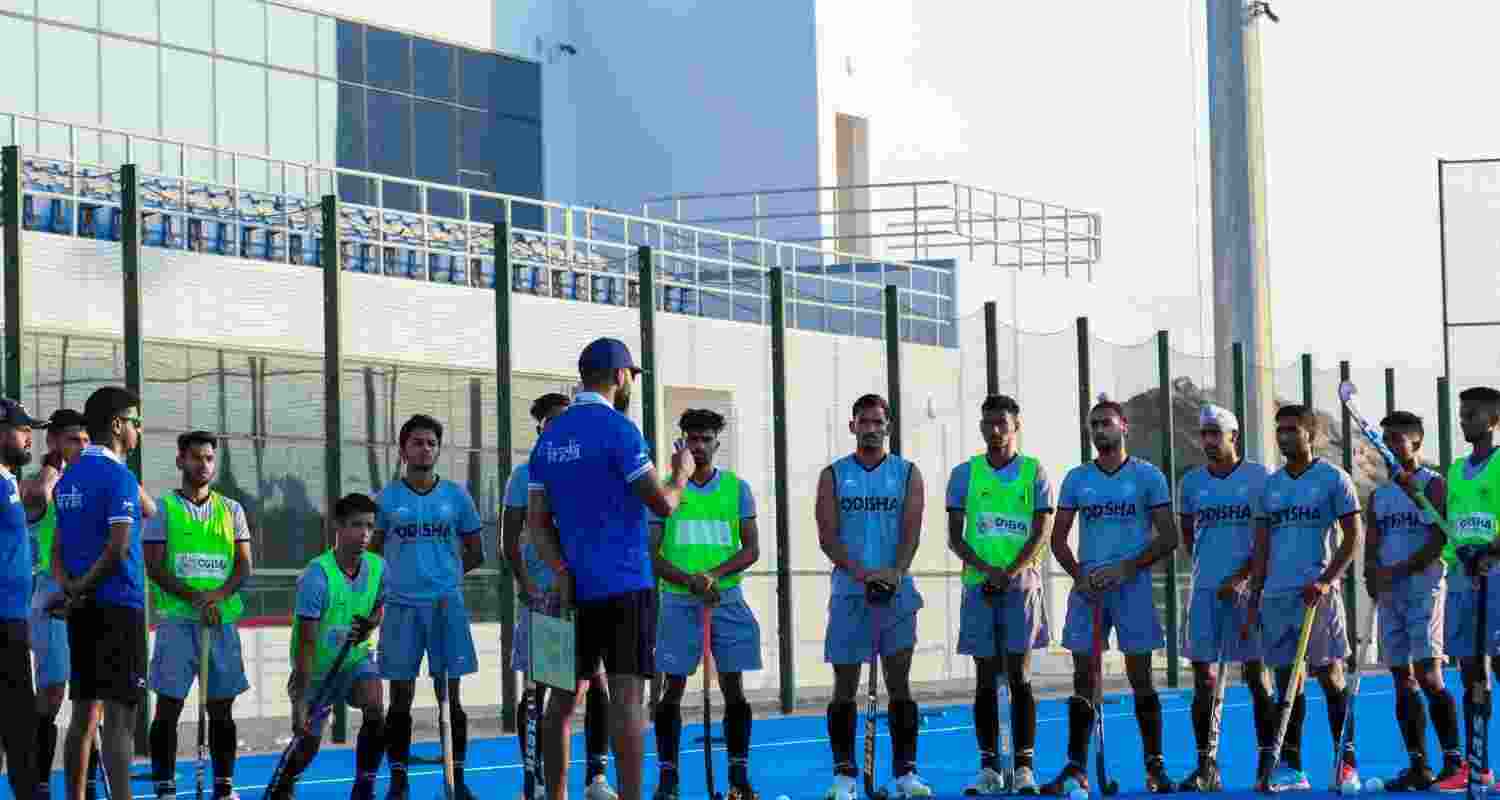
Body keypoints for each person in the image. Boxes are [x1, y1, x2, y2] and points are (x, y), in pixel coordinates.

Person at [527, 337, 693, 800]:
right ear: (621, 376)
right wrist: (680, 473)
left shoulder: (550, 437)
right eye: (630, 376)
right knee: (628, 700)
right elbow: (662, 504)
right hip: (625, 585)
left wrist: (561, 572)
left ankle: (555, 795)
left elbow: (536, 526)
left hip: (570, 588)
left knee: (559, 702)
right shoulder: (622, 431)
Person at [1044, 396, 1179, 795]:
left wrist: (1125, 569)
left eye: (1106, 423)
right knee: (1084, 677)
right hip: (1090, 593)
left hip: (1132, 589)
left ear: (1123, 427)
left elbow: (1168, 536)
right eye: (1093, 424)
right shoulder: (1076, 478)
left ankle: (1155, 768)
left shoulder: (1148, 476)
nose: (1099, 430)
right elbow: (1058, 539)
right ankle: (1075, 768)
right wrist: (1079, 575)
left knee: (1141, 677)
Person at [502, 393, 617, 800]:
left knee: (597, 687)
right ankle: (533, 778)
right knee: (544, 692)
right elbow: (510, 538)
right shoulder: (525, 474)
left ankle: (596, 778)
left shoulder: (587, 471)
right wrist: (527, 584)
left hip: (589, 595)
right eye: (550, 421)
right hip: (548, 596)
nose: (559, 427)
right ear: (540, 428)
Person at [816, 393, 930, 800]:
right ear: (852, 427)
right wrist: (865, 576)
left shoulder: (908, 473)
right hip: (851, 593)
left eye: (877, 421)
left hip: (896, 594)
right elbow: (827, 537)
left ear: (888, 427)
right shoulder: (833, 475)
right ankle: (845, 776)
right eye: (863, 421)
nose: (870, 428)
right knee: (844, 686)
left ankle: (905, 775)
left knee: (899, 684)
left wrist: (894, 575)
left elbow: (911, 532)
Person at [650, 408, 763, 800]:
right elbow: (652, 557)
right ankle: (669, 778)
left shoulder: (737, 489)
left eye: (706, 439)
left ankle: (738, 778)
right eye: (691, 439)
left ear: (717, 442)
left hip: (725, 600)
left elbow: (751, 549)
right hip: (680, 602)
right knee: (672, 691)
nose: (698, 446)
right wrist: (691, 582)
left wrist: (712, 576)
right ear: (680, 442)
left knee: (734, 689)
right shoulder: (666, 490)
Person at [371, 414, 486, 800]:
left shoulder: (456, 496)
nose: (425, 448)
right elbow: (373, 556)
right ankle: (399, 780)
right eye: (418, 442)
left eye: (432, 443)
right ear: (403, 449)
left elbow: (476, 552)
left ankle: (458, 778)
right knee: (399, 697)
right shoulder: (387, 499)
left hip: (444, 607)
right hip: (401, 608)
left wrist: (446, 577)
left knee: (450, 696)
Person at [1249, 404, 1362, 792]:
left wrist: (1328, 581)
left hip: (1317, 597)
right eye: (1279, 430)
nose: (1284, 437)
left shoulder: (1334, 479)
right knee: (1287, 683)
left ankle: (1346, 764)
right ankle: (1293, 767)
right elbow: (1261, 547)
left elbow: (1352, 537)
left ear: (1310, 435)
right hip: (1277, 598)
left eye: (1292, 430)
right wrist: (1256, 593)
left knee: (1331, 677)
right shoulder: (1270, 485)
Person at [945, 394, 1053, 795]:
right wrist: (988, 570)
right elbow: (956, 536)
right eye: (988, 424)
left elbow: (1041, 532)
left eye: (1001, 424)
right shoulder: (964, 474)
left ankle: (1024, 767)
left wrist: (1009, 572)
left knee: (1021, 677)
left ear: (1015, 426)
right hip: (979, 586)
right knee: (985, 680)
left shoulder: (1034, 471)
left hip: (1020, 586)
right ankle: (989, 767)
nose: (994, 432)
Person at [50, 387, 149, 800]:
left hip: (83, 610)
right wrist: (85, 586)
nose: (138, 430)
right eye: (136, 422)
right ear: (116, 425)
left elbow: (57, 546)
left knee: (83, 715)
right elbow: (119, 546)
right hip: (119, 607)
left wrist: (71, 589)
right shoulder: (120, 477)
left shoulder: (68, 476)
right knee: (121, 720)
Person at [145, 431, 255, 800]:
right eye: (196, 458)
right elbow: (155, 567)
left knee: (222, 709)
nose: (203, 465)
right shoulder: (163, 509)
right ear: (180, 461)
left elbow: (243, 566)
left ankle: (224, 787)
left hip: (220, 622)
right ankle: (165, 788)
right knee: (168, 707)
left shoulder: (232, 510)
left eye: (209, 458)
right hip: (178, 622)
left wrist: (218, 597)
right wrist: (196, 598)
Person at [1175, 405, 1273, 791]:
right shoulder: (1191, 482)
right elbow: (1187, 535)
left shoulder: (1258, 477)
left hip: (1248, 593)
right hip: (1205, 592)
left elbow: (1267, 538)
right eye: (1204, 434)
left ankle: (1268, 761)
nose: (1209, 441)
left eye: (1216, 433)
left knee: (1254, 675)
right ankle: (1206, 766)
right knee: (1203, 678)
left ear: (1234, 436)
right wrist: (1210, 573)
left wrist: (1242, 577)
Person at [1362, 410, 1461, 790]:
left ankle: (1453, 760)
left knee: (1429, 675)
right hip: (1390, 595)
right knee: (1401, 677)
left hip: (1423, 589)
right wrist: (1373, 576)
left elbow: (1440, 538)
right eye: (1384, 441)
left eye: (1397, 440)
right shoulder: (1379, 496)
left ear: (1416, 442)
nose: (1389, 447)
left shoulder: (1433, 484)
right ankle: (1418, 765)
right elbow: (1372, 546)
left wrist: (1400, 569)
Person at [268, 493, 387, 800]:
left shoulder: (377, 568)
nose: (364, 534)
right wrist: (301, 699)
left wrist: (371, 623)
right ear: (338, 526)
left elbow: (379, 605)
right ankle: (286, 781)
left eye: (370, 527)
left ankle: (364, 786)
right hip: (316, 670)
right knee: (308, 743)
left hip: (354, 661)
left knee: (374, 705)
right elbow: (306, 642)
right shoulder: (316, 576)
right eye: (356, 525)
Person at [29, 409, 92, 800]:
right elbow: (37, 496)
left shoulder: (95, 482)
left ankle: (89, 782)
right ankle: (37, 781)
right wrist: (53, 466)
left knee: (92, 697)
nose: (81, 447)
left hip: (87, 595)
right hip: (50, 595)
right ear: (53, 442)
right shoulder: (40, 483)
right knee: (52, 694)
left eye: (86, 440)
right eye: (72, 440)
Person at [1440, 385, 1500, 789]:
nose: (1464, 420)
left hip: (1496, 576)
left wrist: (1490, 552)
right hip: (1463, 579)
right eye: (1462, 413)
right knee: (1469, 671)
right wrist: (1459, 554)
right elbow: (1454, 526)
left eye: (1473, 414)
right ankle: (1477, 763)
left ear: (1494, 420)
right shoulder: (1456, 470)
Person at [0, 398, 46, 800]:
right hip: (2, 624)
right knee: (17, 724)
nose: (29, 434)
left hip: (14, 622)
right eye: (21, 427)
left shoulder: (8, 480)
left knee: (19, 724)